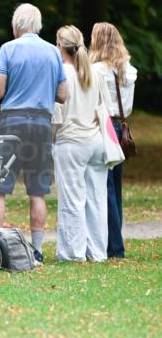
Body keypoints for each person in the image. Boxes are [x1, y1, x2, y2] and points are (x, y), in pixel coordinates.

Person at [0, 3, 68, 262]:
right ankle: (37, 250)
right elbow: (63, 94)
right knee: (37, 191)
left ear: (16, 27)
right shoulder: (53, 52)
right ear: (38, 26)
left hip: (12, 123)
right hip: (42, 125)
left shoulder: (7, 49)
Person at [52, 26, 107, 262]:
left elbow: (56, 114)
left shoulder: (61, 74)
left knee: (71, 200)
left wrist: (51, 139)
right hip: (96, 141)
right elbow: (104, 109)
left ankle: (72, 253)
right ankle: (97, 252)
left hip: (71, 142)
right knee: (96, 200)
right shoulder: (95, 73)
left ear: (60, 46)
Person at [90, 22, 138, 259]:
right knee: (115, 187)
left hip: (105, 126)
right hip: (122, 127)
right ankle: (115, 242)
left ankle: (114, 246)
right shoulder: (128, 70)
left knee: (105, 186)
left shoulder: (96, 70)